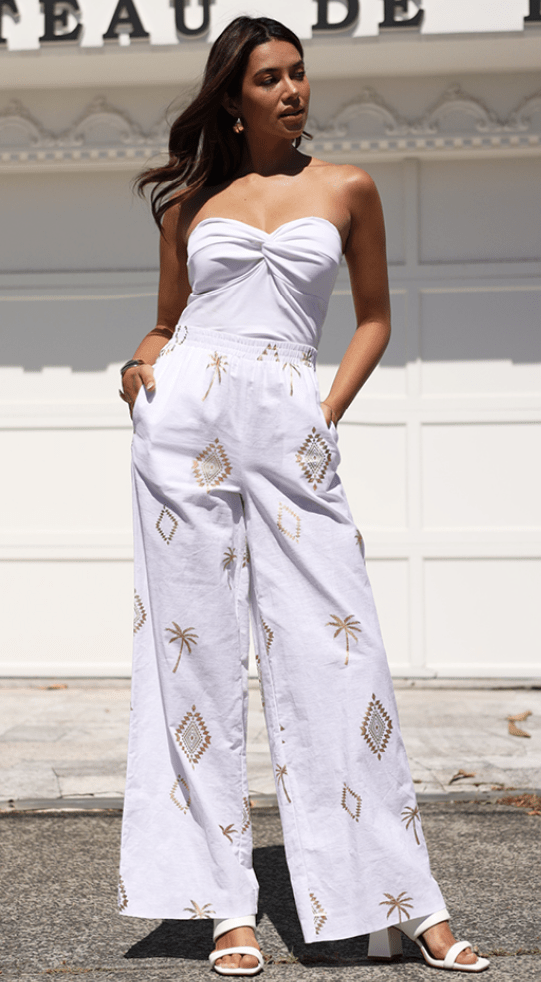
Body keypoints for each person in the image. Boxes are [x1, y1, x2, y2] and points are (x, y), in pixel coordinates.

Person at [118, 15, 489, 977]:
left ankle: (405, 899)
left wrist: (322, 412)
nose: (292, 90)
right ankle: (222, 909)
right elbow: (166, 324)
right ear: (233, 100)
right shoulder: (191, 203)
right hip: (185, 424)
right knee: (192, 663)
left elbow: (373, 318)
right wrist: (139, 366)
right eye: (269, 78)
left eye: (298, 72)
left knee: (338, 655)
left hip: (289, 421)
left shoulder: (346, 187)